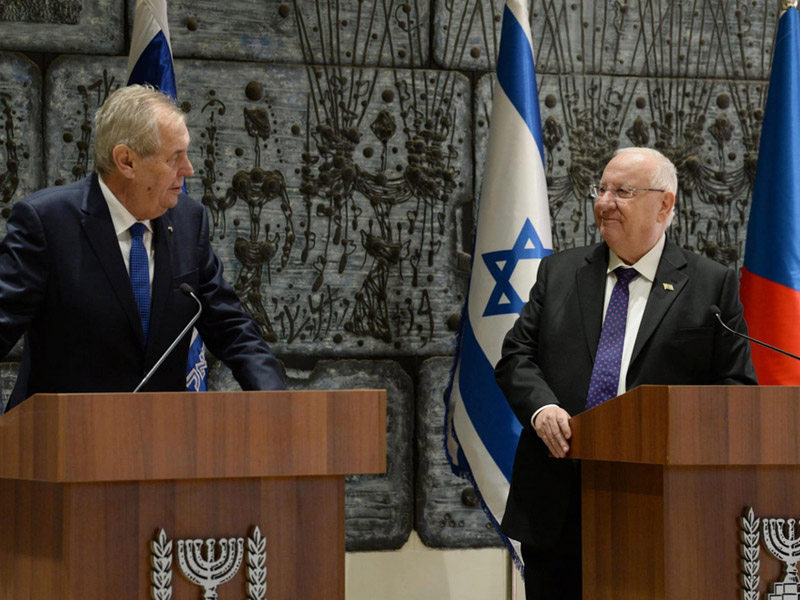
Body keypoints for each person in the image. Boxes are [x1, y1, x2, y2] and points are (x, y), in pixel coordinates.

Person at [494, 147, 757, 599]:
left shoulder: (711, 284)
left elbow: (735, 387)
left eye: (623, 191)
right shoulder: (560, 272)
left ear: (665, 205)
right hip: (558, 502)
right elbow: (517, 354)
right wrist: (541, 409)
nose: (604, 202)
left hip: (661, 505)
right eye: (602, 189)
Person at [0, 84, 285, 411]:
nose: (189, 170)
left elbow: (233, 329)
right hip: (62, 442)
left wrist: (277, 405)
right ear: (126, 161)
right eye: (175, 157)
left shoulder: (189, 221)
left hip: (162, 442)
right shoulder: (47, 223)